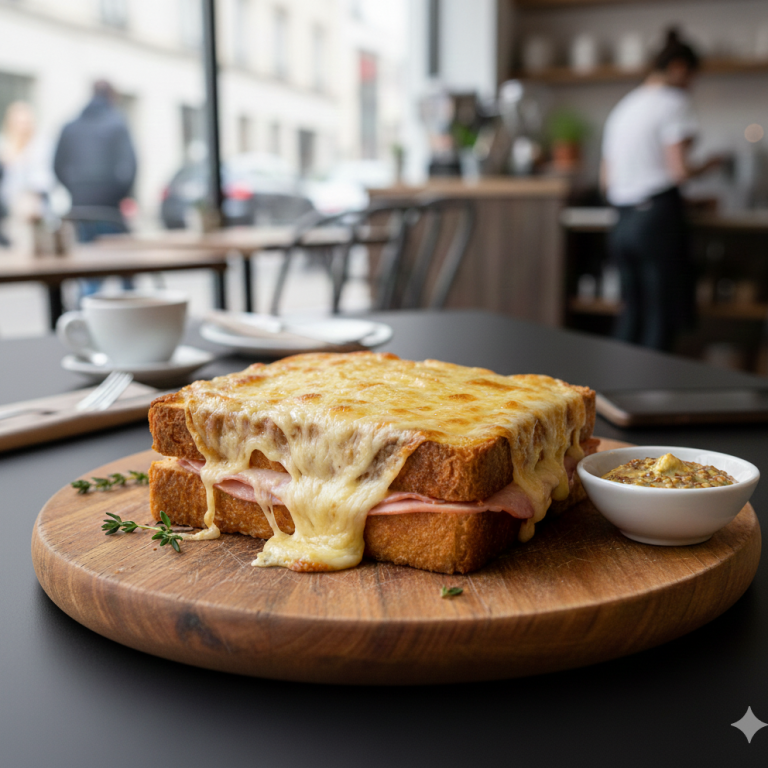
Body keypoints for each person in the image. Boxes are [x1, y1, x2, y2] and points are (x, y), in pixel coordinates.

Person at [601, 28, 721, 352]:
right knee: (660, 318)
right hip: (656, 222)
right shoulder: (674, 102)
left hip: (622, 222)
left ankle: (610, 397)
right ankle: (651, 400)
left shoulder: (624, 107)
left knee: (631, 314)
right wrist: (709, 165)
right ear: (680, 68)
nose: (692, 84)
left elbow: (606, 179)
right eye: (693, 75)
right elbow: (678, 170)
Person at [54, 80, 137, 294]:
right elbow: (131, 166)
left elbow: (57, 166)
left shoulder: (70, 127)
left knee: (90, 271)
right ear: (111, 95)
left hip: (80, 209)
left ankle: (86, 316)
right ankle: (130, 314)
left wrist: (76, 190)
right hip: (111, 210)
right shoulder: (118, 124)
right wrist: (119, 193)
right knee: (124, 268)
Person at [0, 101, 54, 249]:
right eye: (19, 122)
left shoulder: (40, 146)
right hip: (9, 213)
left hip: (34, 211)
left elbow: (43, 180)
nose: (23, 127)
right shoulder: (5, 145)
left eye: (26, 122)